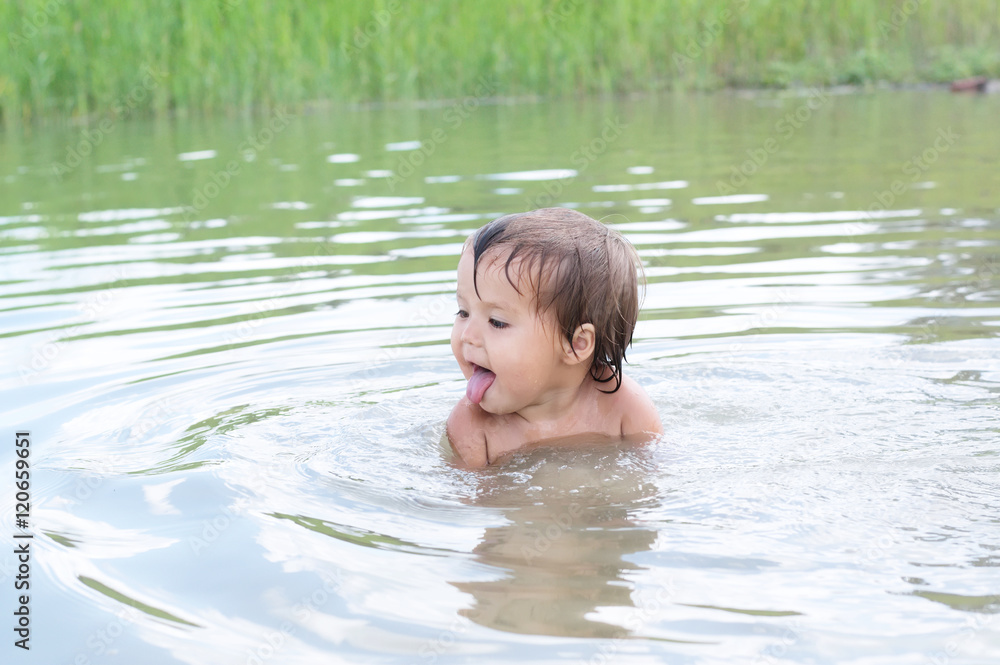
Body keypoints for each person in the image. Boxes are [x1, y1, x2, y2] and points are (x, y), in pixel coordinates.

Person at [447, 207, 662, 467]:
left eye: (497, 322)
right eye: (463, 312)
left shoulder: (624, 409)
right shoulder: (471, 427)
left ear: (576, 344)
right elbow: (468, 502)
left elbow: (651, 480)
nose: (468, 336)